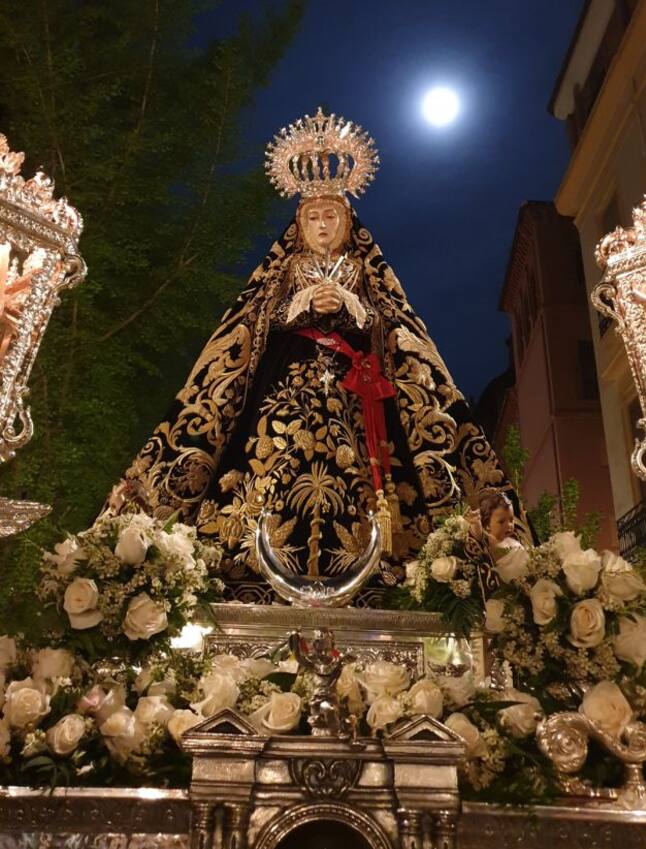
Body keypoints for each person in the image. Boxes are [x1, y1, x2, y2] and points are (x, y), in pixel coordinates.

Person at [117, 109, 526, 599]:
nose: (322, 224)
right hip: (285, 390)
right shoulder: (285, 271)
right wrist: (301, 304)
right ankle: (245, 561)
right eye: (312, 217)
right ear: (299, 224)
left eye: (331, 215)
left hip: (356, 391)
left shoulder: (362, 270)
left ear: (348, 221)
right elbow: (254, 325)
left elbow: (392, 328)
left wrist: (354, 308)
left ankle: (380, 567)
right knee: (270, 463)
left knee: (363, 471)